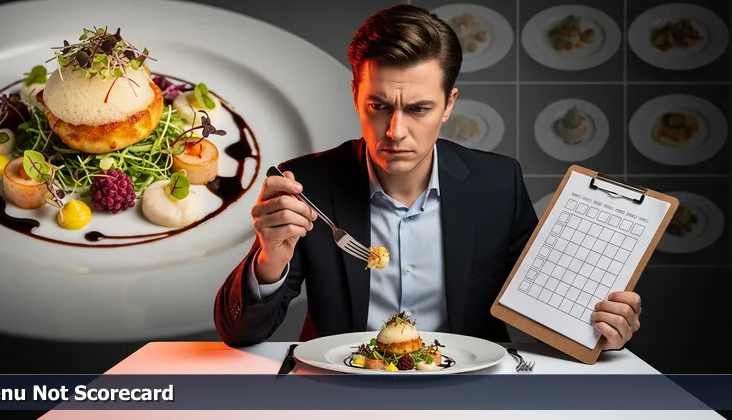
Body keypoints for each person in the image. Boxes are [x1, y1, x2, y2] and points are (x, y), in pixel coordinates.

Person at [214, 4, 642, 351]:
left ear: (448, 104)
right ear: (355, 96)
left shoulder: (499, 182)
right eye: (378, 106)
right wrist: (270, 258)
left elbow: (545, 306)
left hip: (471, 394)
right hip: (343, 391)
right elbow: (241, 334)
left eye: (418, 109)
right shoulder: (308, 183)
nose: (396, 131)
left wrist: (601, 330)